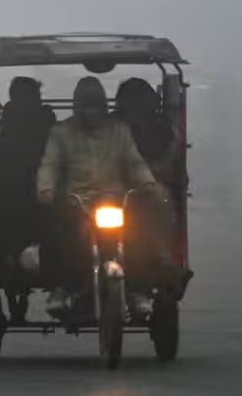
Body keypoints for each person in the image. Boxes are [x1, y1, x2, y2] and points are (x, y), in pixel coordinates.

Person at [37, 77, 174, 314]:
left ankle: (137, 290)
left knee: (136, 237)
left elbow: (134, 162)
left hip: (115, 199)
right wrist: (46, 189)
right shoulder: (61, 132)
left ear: (104, 107)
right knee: (61, 236)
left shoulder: (120, 131)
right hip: (76, 200)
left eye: (95, 106)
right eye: (85, 106)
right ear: (76, 107)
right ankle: (62, 288)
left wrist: (147, 184)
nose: (91, 112)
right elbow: (50, 163)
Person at [0, 77, 56, 259]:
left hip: (12, 191)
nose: (39, 100)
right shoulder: (45, 121)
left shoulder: (1, 126)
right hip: (29, 189)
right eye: (36, 96)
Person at [114, 78, 180, 188]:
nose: (134, 108)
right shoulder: (112, 126)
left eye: (138, 102)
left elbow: (168, 167)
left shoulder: (163, 129)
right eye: (130, 102)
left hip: (152, 188)